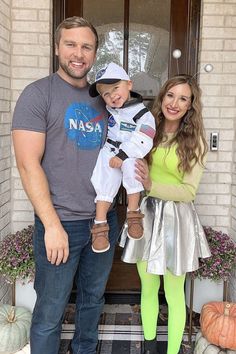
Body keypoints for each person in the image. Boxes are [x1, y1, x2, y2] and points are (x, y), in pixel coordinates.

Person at [12, 16, 119, 354]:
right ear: (57, 48)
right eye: (70, 44)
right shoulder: (37, 95)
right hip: (60, 222)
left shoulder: (105, 99)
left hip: (103, 221)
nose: (78, 53)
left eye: (86, 46)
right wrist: (52, 225)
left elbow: (120, 151)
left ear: (94, 53)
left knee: (92, 300)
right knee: (51, 309)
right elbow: (28, 165)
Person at [120, 75, 211, 354]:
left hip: (177, 221)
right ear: (162, 97)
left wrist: (151, 185)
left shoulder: (195, 141)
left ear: (191, 106)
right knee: (147, 287)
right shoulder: (147, 130)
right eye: (171, 95)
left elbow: (188, 191)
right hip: (145, 216)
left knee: (173, 293)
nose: (175, 103)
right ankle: (149, 347)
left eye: (183, 98)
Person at [89, 62, 156, 253]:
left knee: (133, 169)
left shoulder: (143, 113)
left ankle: (133, 214)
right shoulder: (108, 111)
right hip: (110, 149)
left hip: (131, 151)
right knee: (103, 178)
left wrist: (124, 154)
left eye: (116, 88)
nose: (112, 96)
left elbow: (145, 136)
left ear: (129, 84)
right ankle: (100, 225)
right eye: (106, 94)